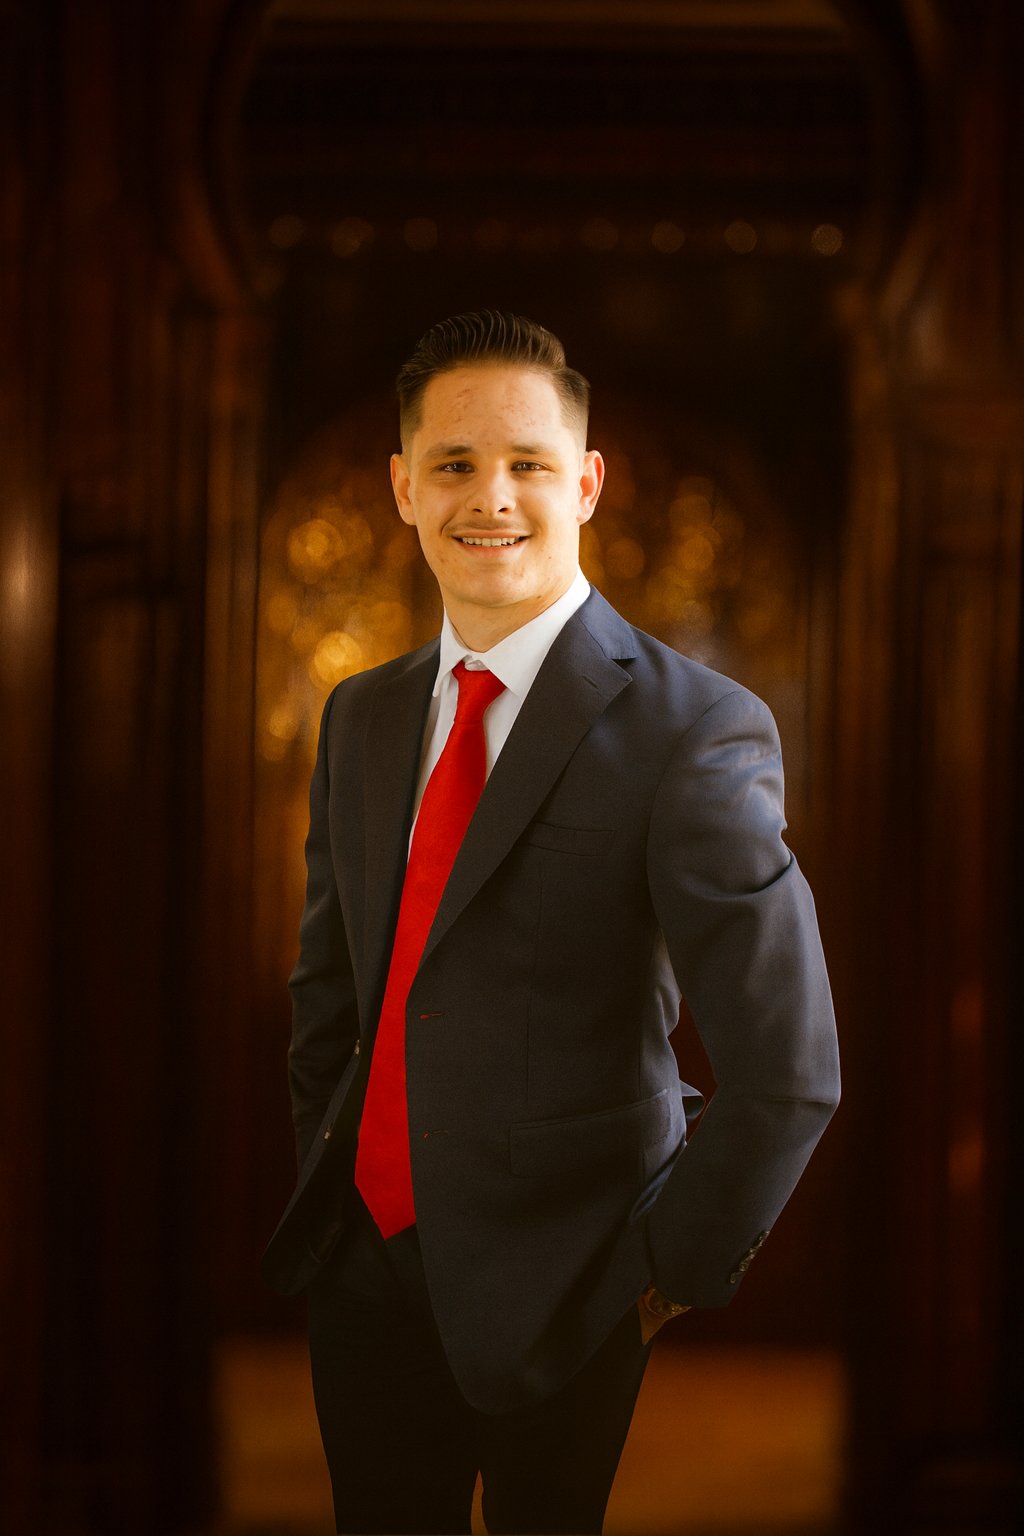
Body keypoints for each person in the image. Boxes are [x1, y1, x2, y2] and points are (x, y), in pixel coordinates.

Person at [262, 310, 840, 1536]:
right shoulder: (360, 718)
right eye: (455, 464)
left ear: (584, 482)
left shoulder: (693, 728)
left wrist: (664, 1270)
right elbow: (333, 986)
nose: (493, 497)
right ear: (402, 489)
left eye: (527, 462)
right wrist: (332, 1162)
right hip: (362, 1267)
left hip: (570, 1282)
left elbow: (789, 1069)